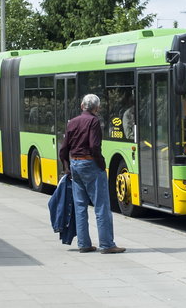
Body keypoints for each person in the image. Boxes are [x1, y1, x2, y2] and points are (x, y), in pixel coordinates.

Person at [58, 94, 126, 254]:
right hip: (90, 163)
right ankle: (107, 244)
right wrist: (102, 165)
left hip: (75, 163)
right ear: (97, 108)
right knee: (101, 206)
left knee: (80, 206)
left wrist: (66, 166)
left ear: (82, 106)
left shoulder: (72, 122)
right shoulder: (94, 121)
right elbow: (94, 146)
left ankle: (84, 244)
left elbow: (63, 148)